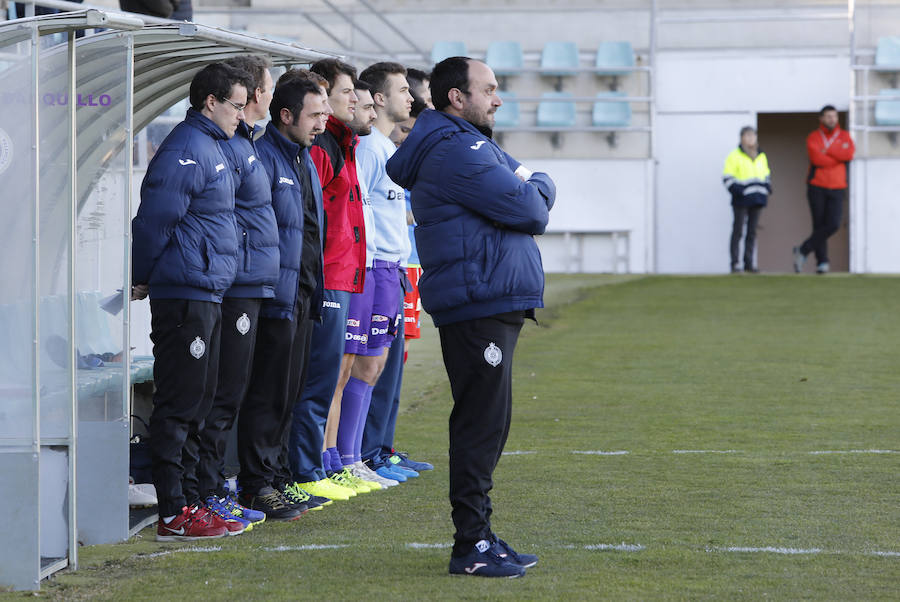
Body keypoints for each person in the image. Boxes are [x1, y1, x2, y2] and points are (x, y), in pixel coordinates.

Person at [386, 57, 555, 578]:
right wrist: (535, 182)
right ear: (456, 97)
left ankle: (481, 533)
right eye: (489, 89)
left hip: (487, 297)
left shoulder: (467, 142)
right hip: (478, 300)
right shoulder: (459, 149)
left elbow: (527, 190)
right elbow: (533, 208)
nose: (497, 98)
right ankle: (470, 544)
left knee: (489, 420)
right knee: (481, 423)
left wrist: (529, 182)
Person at [131, 62, 252, 541]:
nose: (242, 117)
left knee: (201, 401)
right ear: (211, 102)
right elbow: (154, 221)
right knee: (181, 403)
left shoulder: (213, 146)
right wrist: (140, 276)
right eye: (237, 106)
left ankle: (196, 500)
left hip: (208, 289)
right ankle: (172, 512)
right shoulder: (186, 148)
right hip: (184, 293)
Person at [237, 73, 333, 519]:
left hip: (302, 293)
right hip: (275, 297)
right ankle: (257, 485)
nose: (322, 123)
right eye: (315, 115)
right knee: (267, 394)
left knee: (289, 394)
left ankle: (278, 479)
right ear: (286, 114)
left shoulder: (304, 157)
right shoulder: (262, 156)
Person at [192, 55, 278, 528]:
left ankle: (212, 487)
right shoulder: (223, 144)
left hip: (250, 280)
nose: (262, 99)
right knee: (219, 395)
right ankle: (205, 490)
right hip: (235, 282)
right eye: (258, 92)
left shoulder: (244, 142)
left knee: (231, 393)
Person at [290, 58, 366, 502]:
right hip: (327, 278)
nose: (354, 99)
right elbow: (308, 219)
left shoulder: (341, 144)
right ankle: (306, 469)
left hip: (342, 275)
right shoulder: (322, 149)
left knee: (326, 378)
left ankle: (317, 464)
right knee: (317, 380)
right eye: (345, 93)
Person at [793, 105, 855, 274]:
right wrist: (836, 154)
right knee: (819, 225)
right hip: (817, 186)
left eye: (834, 116)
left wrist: (828, 150)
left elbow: (848, 154)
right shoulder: (814, 137)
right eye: (828, 116)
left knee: (833, 224)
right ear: (821, 118)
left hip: (837, 186)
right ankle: (822, 263)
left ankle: (803, 250)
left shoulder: (844, 136)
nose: (831, 119)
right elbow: (818, 159)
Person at [722, 126, 771, 273]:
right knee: (738, 231)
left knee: (752, 232)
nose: (750, 138)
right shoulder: (734, 156)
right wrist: (740, 192)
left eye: (753, 135)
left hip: (757, 198)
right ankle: (735, 264)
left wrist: (766, 189)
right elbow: (728, 177)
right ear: (742, 137)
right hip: (741, 199)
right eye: (747, 135)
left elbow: (766, 174)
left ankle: (748, 263)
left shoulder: (761, 155)